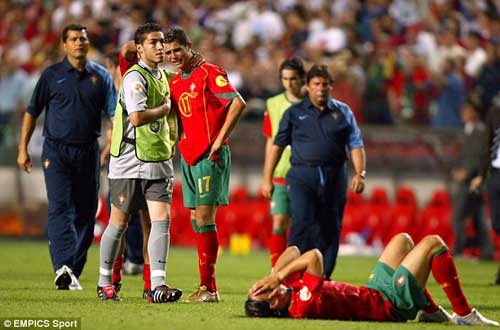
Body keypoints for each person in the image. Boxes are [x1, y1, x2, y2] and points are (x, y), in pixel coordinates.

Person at [17, 23, 116, 290]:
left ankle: (71, 269)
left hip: (88, 151)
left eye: (83, 39)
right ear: (64, 45)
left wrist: (110, 146)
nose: (79, 43)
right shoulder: (51, 75)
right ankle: (61, 265)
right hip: (56, 150)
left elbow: (114, 116)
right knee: (59, 207)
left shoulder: (101, 76)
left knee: (86, 212)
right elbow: (32, 111)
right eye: (73, 39)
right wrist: (22, 148)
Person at [246, 232, 499, 326]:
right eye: (262, 291)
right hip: (389, 305)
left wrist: (270, 278)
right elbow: (313, 257)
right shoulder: (302, 305)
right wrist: (278, 276)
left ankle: (431, 311)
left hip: (374, 291)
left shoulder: (287, 291)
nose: (265, 287)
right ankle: (465, 316)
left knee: (403, 240)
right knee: (434, 243)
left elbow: (293, 250)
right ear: (273, 304)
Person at [96, 22, 181, 303]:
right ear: (140, 48)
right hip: (129, 160)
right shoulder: (134, 76)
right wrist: (164, 109)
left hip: (157, 158)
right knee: (119, 222)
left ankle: (157, 284)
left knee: (161, 220)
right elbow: (136, 117)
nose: (160, 47)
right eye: (154, 42)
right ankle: (105, 280)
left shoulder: (162, 75)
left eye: (162, 43)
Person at [164, 27, 246, 302]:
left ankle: (209, 289)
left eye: (178, 50)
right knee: (194, 218)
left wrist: (219, 140)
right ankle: (206, 287)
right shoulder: (174, 82)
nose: (174, 56)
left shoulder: (209, 72)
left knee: (203, 218)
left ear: (189, 47)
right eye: (168, 52)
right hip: (188, 156)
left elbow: (237, 103)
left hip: (210, 155)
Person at [262, 64, 366, 279]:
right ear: (308, 87)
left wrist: (359, 173)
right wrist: (267, 178)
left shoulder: (343, 112)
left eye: (325, 84)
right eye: (316, 84)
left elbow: (356, 144)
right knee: (301, 222)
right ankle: (288, 278)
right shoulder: (294, 113)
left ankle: (322, 279)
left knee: (330, 226)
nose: (321, 88)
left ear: (331, 87)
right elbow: (277, 145)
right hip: (302, 175)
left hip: (334, 176)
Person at [262, 57, 306, 267]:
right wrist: (266, 177)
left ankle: (302, 270)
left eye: (293, 79)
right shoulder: (273, 104)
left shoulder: (313, 102)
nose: (289, 83)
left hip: (305, 174)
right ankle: (276, 271)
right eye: (285, 79)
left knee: (302, 224)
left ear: (302, 79)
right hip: (281, 173)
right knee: (279, 221)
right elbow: (271, 141)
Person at [451, 99, 495, 260]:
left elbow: (479, 156)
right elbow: (462, 155)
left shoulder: (480, 131)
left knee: (458, 216)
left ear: (474, 112)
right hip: (472, 181)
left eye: (466, 110)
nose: (463, 114)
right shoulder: (467, 131)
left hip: (471, 182)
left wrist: (466, 173)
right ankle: (487, 251)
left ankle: (459, 248)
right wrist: (455, 169)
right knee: (478, 218)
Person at [471, 104, 500, 285]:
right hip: (495, 174)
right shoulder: (495, 112)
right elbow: (487, 143)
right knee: (497, 224)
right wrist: (481, 175)